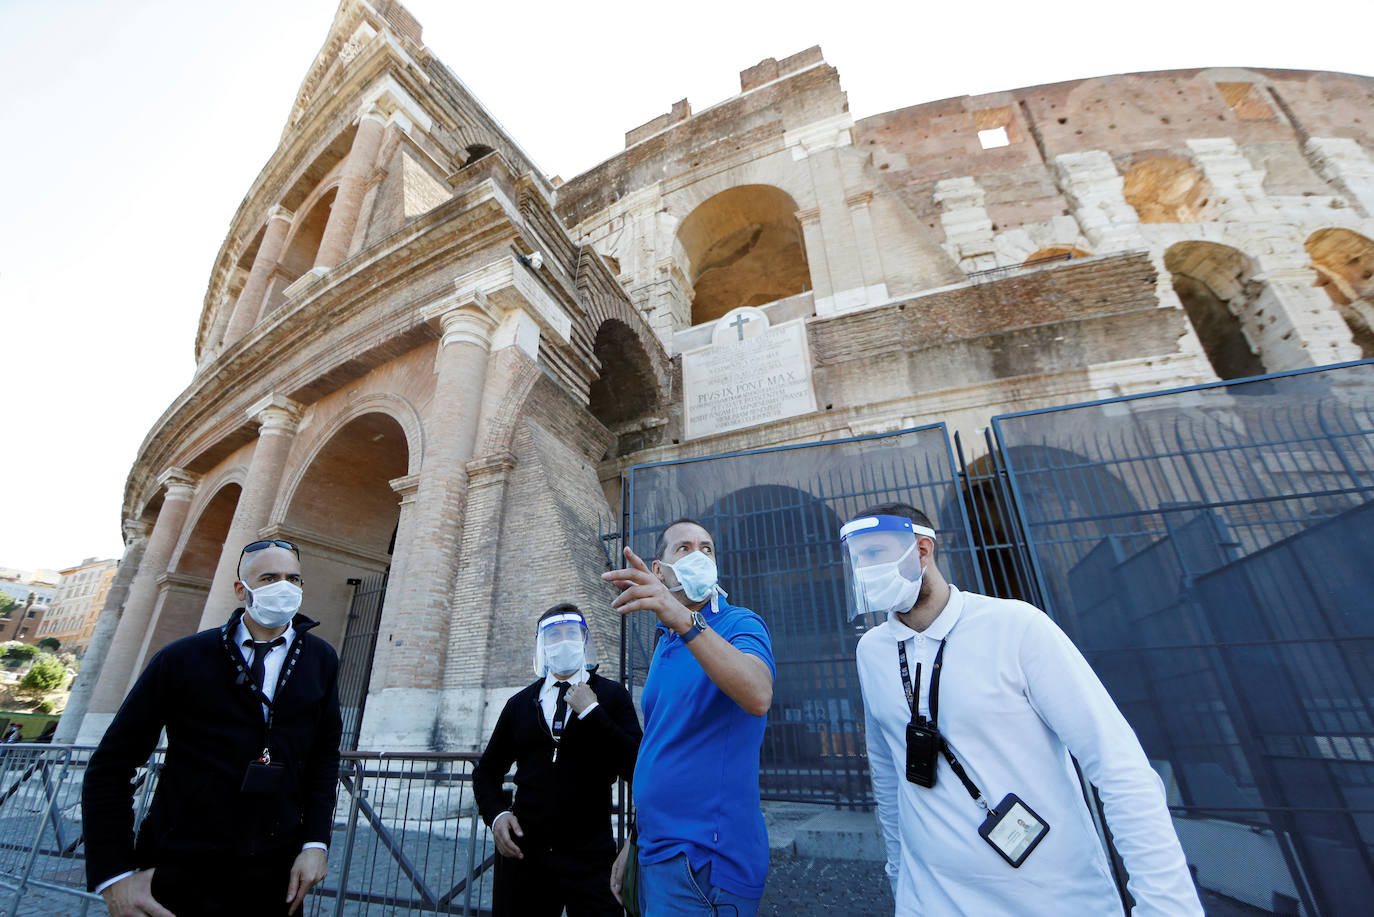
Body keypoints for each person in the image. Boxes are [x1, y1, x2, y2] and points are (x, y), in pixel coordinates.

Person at [839, 503, 1203, 916]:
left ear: (922, 550)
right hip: (931, 901)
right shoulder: (871, 651)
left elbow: (1118, 765)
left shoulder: (1016, 627)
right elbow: (888, 776)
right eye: (856, 558)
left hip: (1054, 899)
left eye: (873, 554)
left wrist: (1166, 907)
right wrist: (899, 879)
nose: (862, 569)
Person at [82, 539, 342, 917]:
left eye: (293, 579)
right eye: (269, 577)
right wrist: (113, 876)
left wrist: (316, 842)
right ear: (242, 589)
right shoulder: (182, 657)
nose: (283, 587)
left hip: (276, 869)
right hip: (181, 862)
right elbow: (111, 766)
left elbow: (324, 758)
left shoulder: (321, 659)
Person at [603, 518, 775, 917]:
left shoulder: (740, 624)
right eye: (684, 548)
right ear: (659, 571)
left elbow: (758, 694)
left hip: (705, 863)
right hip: (656, 852)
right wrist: (636, 838)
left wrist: (680, 617)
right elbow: (662, 746)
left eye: (707, 548)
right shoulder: (666, 642)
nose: (699, 555)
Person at [473, 603, 642, 917]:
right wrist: (496, 815)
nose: (563, 642)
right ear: (542, 646)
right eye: (553, 635)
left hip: (591, 857)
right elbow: (487, 771)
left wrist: (593, 713)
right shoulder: (520, 704)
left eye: (570, 633)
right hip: (526, 855)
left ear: (583, 639)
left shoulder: (612, 696)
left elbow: (638, 767)